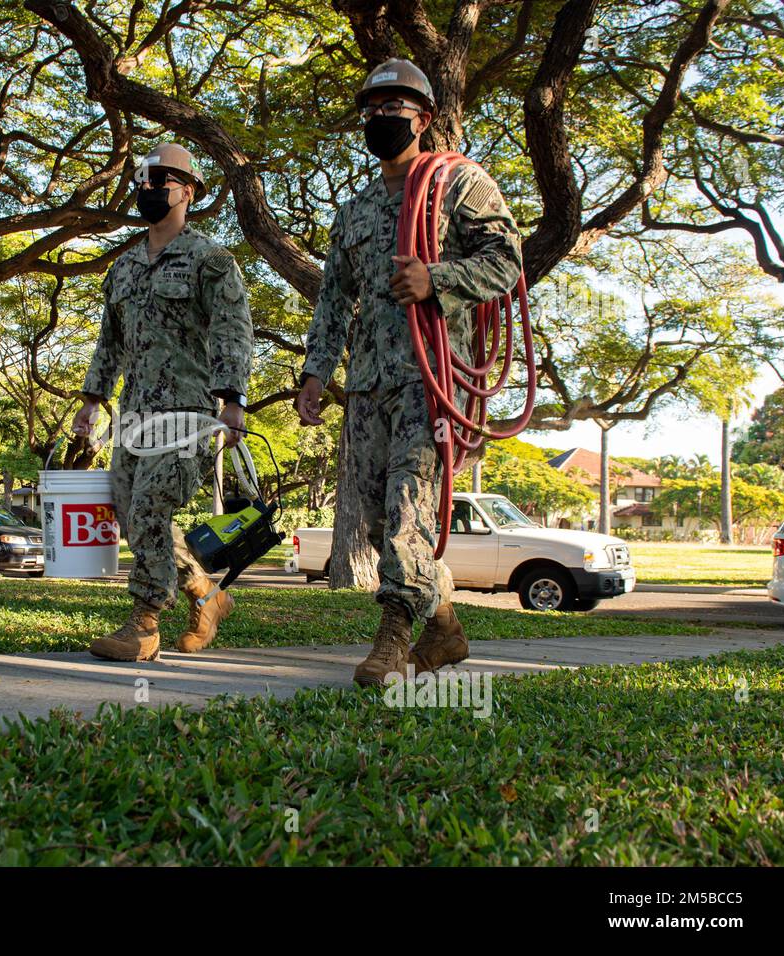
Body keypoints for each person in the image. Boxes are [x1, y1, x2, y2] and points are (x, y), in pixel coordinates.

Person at [295, 59, 523, 686]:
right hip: (368, 382)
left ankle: (394, 636)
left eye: (394, 110)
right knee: (374, 517)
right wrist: (316, 372)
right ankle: (444, 624)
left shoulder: (461, 182)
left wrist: (437, 280)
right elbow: (334, 296)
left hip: (434, 375)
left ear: (423, 118)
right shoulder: (358, 207)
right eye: (371, 111)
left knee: (406, 513)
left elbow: (506, 261)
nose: (381, 120)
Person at [72, 143, 254, 662]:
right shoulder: (124, 266)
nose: (149, 190)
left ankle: (144, 624)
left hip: (189, 414)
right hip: (134, 416)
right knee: (134, 517)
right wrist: (92, 399)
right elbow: (110, 340)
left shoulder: (211, 260)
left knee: (154, 506)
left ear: (188, 191)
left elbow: (232, 332)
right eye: (143, 182)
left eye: (162, 181)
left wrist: (233, 400)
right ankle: (207, 594)